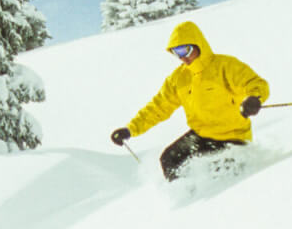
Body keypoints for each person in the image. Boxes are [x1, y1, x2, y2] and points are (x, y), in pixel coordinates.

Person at [110, 20, 271, 181]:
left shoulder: (225, 66)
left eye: (184, 50)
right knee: (169, 159)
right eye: (176, 52)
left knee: (216, 171)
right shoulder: (179, 78)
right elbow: (158, 107)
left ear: (198, 44)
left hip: (233, 137)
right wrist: (131, 129)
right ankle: (188, 199)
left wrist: (254, 99)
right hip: (201, 136)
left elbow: (255, 84)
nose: (182, 57)